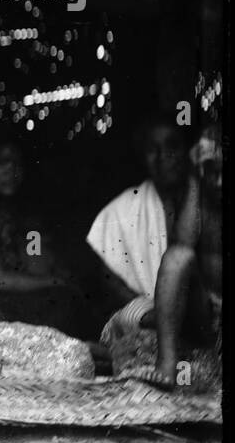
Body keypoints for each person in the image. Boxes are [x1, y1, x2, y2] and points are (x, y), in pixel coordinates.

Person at [0, 128, 89, 338]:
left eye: (17, 164)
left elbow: (34, 257)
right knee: (61, 299)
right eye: (2, 162)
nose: (11, 171)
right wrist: (57, 281)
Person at [87, 114, 190, 370]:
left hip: (194, 314)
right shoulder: (122, 210)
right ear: (143, 158)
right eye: (152, 150)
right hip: (143, 314)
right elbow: (110, 279)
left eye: (172, 146)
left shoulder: (203, 204)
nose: (162, 156)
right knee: (132, 328)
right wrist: (149, 312)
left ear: (187, 151)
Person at [126, 126, 222, 388]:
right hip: (207, 313)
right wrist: (194, 178)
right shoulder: (199, 193)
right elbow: (182, 244)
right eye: (214, 172)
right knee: (178, 257)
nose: (220, 182)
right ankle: (167, 366)